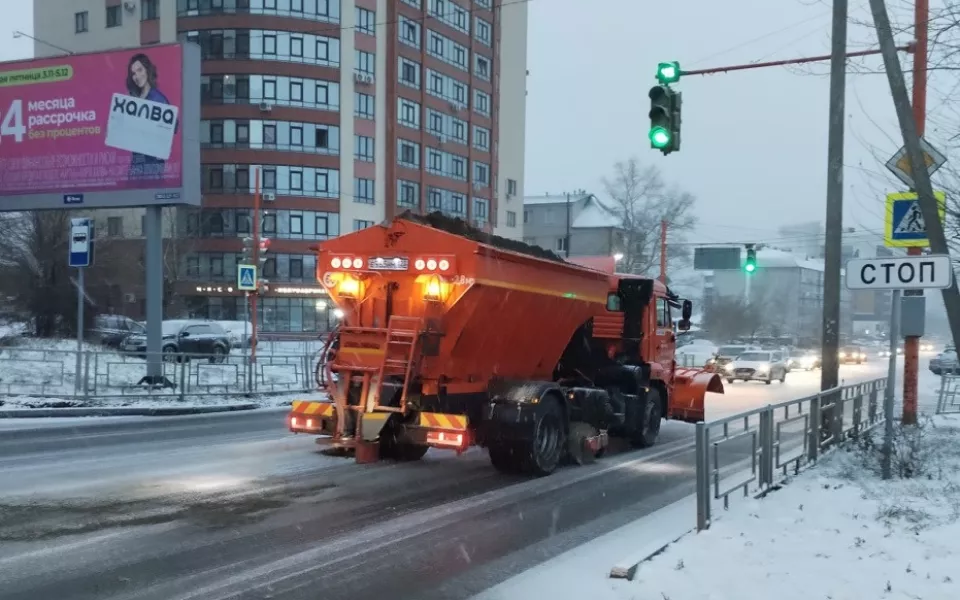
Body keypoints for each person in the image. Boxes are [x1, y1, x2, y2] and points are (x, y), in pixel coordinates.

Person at [126, 53, 171, 181]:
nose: (137, 76)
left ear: (148, 70)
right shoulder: (133, 100)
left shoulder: (158, 99)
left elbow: (172, 128)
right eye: (133, 73)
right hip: (136, 165)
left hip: (152, 165)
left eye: (140, 70)